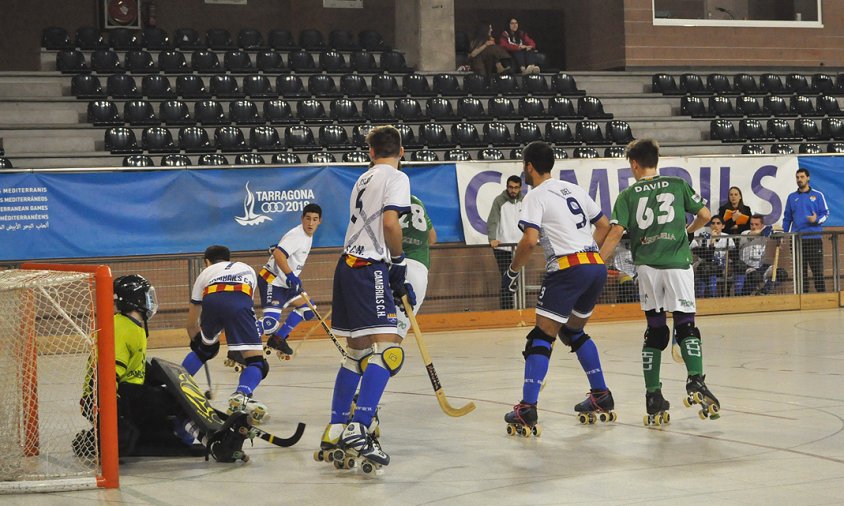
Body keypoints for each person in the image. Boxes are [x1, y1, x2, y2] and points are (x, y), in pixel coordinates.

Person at [600, 139, 720, 425]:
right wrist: (688, 231)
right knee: (686, 324)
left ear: (634, 164)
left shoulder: (628, 194)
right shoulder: (677, 184)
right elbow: (705, 215)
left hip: (648, 269)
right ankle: (695, 381)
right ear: (658, 159)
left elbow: (616, 233)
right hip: (677, 265)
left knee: (655, 331)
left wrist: (596, 263)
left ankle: (653, 395)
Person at [502, 141, 615, 434]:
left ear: (529, 166)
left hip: (567, 269)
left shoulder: (535, 196)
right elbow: (604, 225)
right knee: (572, 331)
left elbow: (528, 241)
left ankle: (527, 408)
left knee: (541, 336)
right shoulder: (573, 188)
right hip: (594, 265)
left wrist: (513, 271)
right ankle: (601, 394)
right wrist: (589, 253)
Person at [318, 125, 414, 471]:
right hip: (368, 267)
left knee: (357, 352)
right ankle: (360, 427)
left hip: (346, 266)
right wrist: (398, 263)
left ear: (370, 153)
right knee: (389, 351)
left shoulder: (363, 178)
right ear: (401, 151)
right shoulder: (397, 178)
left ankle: (337, 426)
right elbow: (391, 223)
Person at [79, 275, 200, 456]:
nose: (150, 301)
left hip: (125, 390)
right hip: (107, 396)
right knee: (166, 401)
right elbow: (108, 374)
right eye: (147, 296)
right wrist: (115, 417)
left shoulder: (132, 326)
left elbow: (133, 365)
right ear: (136, 299)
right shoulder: (122, 328)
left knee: (166, 395)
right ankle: (180, 438)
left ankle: (158, 437)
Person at [180, 245, 268, 424]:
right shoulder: (247, 268)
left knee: (206, 350)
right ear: (229, 259)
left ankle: (177, 385)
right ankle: (241, 394)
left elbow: (192, 320)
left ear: (207, 261)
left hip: (211, 301)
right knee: (257, 362)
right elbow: (239, 306)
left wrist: (196, 340)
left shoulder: (206, 273)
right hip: (240, 301)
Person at [258, 203, 323, 359]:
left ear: (320, 221)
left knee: (308, 310)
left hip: (286, 284)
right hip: (272, 281)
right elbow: (279, 254)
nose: (311, 223)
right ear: (302, 219)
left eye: (315, 219)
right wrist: (291, 276)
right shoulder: (297, 235)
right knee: (269, 323)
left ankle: (278, 339)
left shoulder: (308, 236)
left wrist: (290, 278)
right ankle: (239, 346)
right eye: (307, 219)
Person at [396, 194, 436, 338]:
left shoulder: (387, 199)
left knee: (383, 325)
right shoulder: (417, 200)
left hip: (393, 265)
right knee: (399, 330)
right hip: (418, 267)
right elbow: (432, 238)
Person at [783, 167, 829, 293]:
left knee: (817, 270)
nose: (799, 180)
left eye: (802, 177)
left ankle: (822, 296)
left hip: (814, 239)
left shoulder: (818, 195)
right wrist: (784, 234)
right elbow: (787, 218)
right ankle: (802, 297)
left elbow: (825, 214)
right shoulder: (791, 197)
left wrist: (816, 220)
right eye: (797, 177)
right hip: (796, 240)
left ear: (808, 178)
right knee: (800, 271)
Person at [487, 175, 524, 309]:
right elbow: (492, 221)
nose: (513, 190)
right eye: (510, 187)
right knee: (507, 279)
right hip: (503, 248)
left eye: (516, 187)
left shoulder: (525, 201)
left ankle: (519, 308)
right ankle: (507, 310)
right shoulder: (499, 201)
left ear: (520, 188)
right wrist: (492, 239)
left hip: (520, 248)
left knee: (519, 279)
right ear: (507, 187)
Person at [690, 215, 735, 298]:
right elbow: (707, 257)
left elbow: (733, 256)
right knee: (708, 268)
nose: (715, 225)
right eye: (713, 223)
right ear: (710, 225)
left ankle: (712, 297)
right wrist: (712, 241)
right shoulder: (704, 237)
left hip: (720, 267)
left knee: (712, 268)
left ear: (723, 226)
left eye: (718, 223)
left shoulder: (727, 237)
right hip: (704, 267)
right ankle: (702, 297)